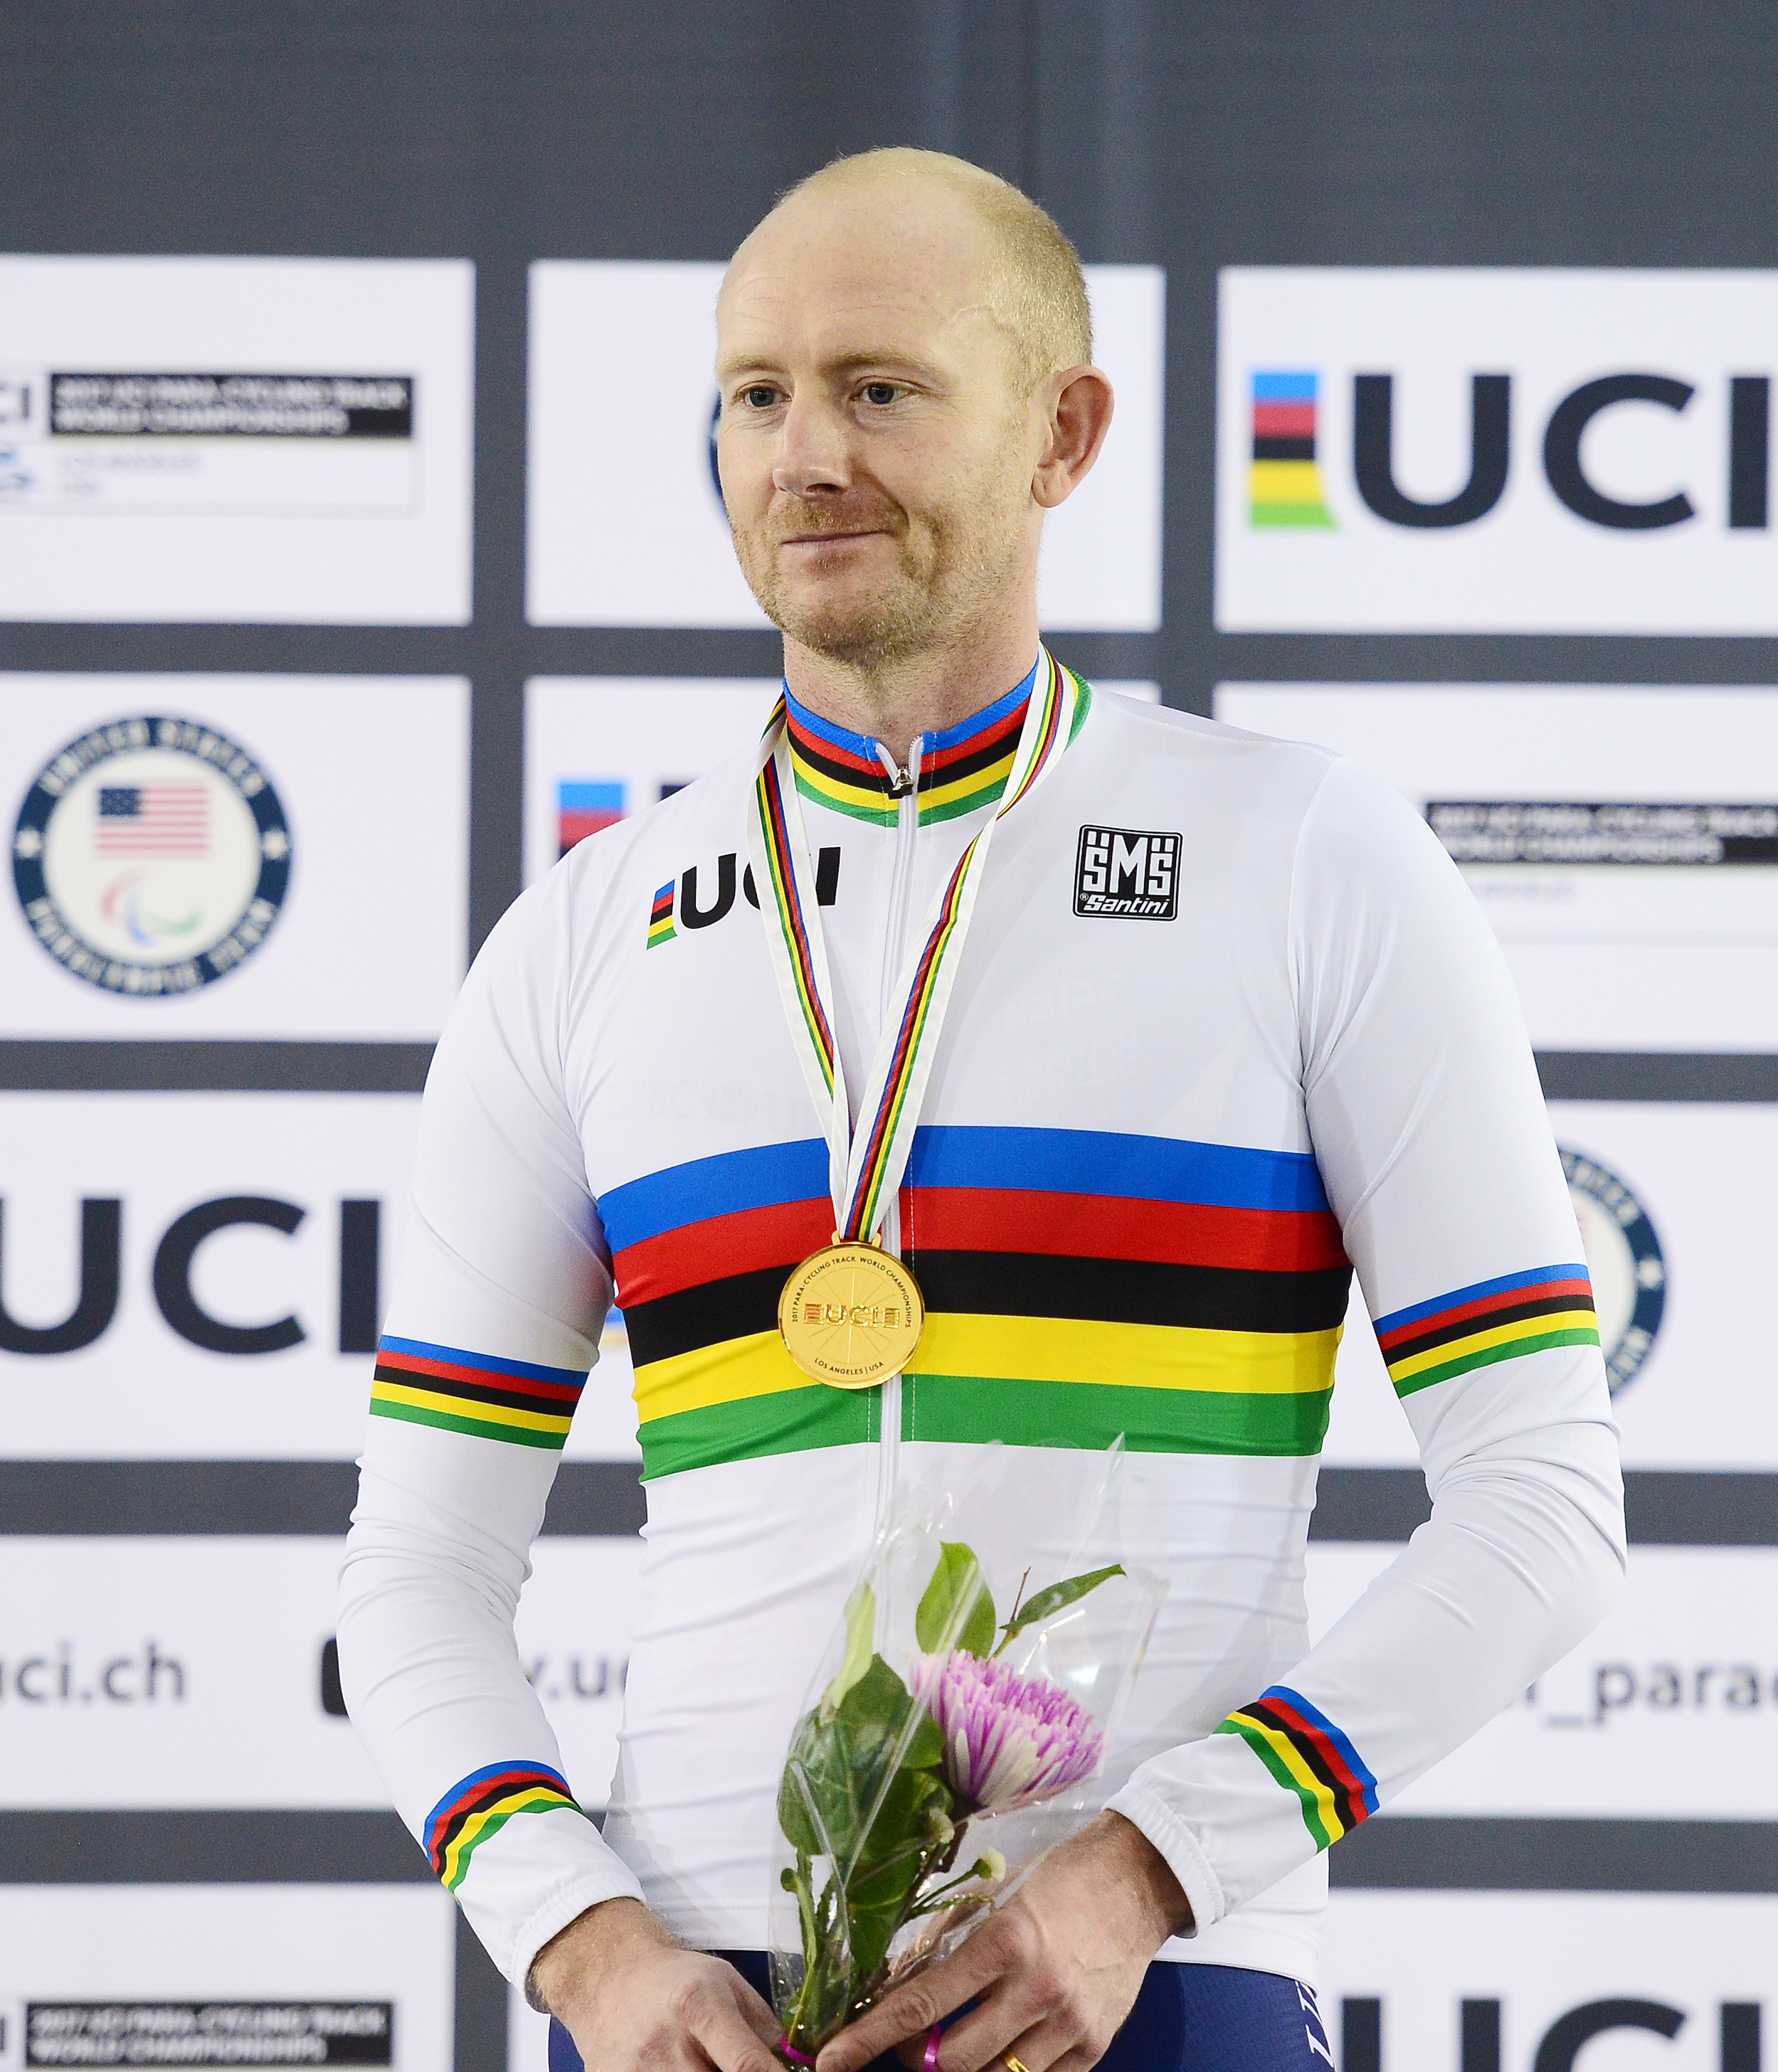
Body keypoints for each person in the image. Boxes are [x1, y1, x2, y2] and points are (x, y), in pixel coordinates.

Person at [338, 148, 1624, 2072]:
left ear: (1062, 430)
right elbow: (416, 1568)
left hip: (1147, 1986)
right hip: (696, 2007)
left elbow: (1540, 1498)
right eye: (755, 392)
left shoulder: (1299, 854)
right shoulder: (587, 931)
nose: (802, 453)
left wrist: (1144, 1870)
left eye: (880, 386)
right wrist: (590, 1944)